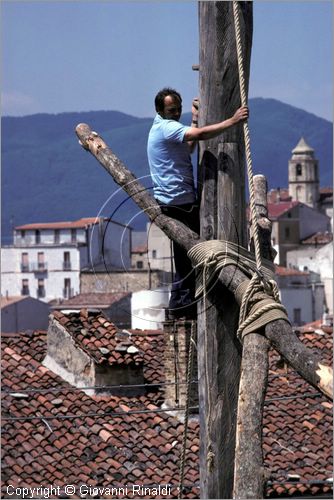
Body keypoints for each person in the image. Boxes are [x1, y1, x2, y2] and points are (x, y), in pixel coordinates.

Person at [147, 87, 248, 319]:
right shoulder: (166, 127)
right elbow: (199, 136)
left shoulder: (165, 128)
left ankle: (184, 305)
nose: (175, 113)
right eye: (172, 110)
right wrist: (232, 121)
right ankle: (183, 308)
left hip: (176, 200)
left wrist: (193, 118)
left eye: (178, 109)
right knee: (190, 256)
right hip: (178, 202)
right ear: (160, 110)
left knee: (186, 257)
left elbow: (189, 146)